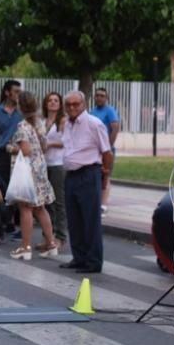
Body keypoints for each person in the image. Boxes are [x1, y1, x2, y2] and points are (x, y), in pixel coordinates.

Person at [60, 90, 113, 274]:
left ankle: (93, 261)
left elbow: (107, 152)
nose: (72, 108)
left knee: (90, 219)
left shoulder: (94, 124)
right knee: (74, 219)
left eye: (76, 104)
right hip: (71, 175)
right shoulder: (67, 124)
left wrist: (105, 176)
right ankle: (79, 256)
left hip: (89, 172)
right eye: (69, 105)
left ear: (83, 105)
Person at [6, 91, 58, 260]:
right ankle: (51, 243)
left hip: (27, 171)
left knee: (25, 208)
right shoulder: (39, 124)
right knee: (40, 208)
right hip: (40, 169)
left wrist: (11, 148)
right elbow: (43, 147)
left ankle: (25, 246)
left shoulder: (23, 126)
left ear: (21, 106)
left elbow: (26, 150)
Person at [0, 80, 22, 235]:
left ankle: (12, 220)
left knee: (16, 189)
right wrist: (2, 143)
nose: (18, 94)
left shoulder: (21, 112)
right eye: (15, 91)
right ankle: (3, 221)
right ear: (7, 92)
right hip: (3, 153)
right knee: (3, 187)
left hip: (19, 154)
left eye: (19, 91)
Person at [43, 91, 68, 250]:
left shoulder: (63, 121)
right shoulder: (42, 121)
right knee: (47, 202)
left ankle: (60, 237)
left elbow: (67, 142)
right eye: (50, 100)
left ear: (60, 104)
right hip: (44, 164)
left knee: (59, 201)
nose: (52, 103)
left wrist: (50, 144)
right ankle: (48, 237)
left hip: (58, 164)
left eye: (56, 100)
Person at [90, 87, 120, 213]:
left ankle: (103, 205)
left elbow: (115, 129)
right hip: (94, 150)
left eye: (102, 96)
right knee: (95, 175)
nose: (99, 98)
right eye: (97, 95)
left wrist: (107, 147)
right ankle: (95, 202)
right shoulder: (92, 111)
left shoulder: (110, 110)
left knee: (105, 176)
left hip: (106, 150)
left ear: (106, 98)